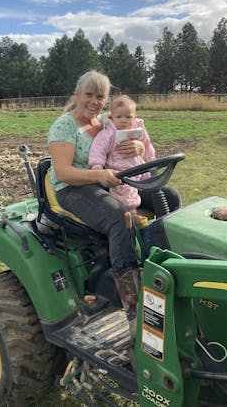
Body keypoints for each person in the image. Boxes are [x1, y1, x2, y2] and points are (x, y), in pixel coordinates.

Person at [47, 71, 143, 342]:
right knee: (120, 217)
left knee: (167, 196)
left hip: (108, 183)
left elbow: (132, 137)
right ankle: (133, 302)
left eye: (100, 96)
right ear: (76, 95)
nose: (94, 101)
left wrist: (135, 145)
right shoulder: (65, 126)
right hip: (73, 189)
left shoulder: (104, 123)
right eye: (88, 94)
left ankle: (159, 266)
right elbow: (64, 172)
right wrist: (99, 175)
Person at [89, 94, 155, 225]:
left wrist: (152, 161)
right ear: (112, 117)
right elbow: (98, 150)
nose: (123, 120)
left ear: (135, 117)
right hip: (120, 172)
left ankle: (161, 225)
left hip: (140, 168)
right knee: (124, 195)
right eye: (119, 117)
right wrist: (97, 166)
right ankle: (131, 215)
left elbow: (147, 146)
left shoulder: (139, 129)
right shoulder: (108, 133)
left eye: (128, 117)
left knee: (159, 189)